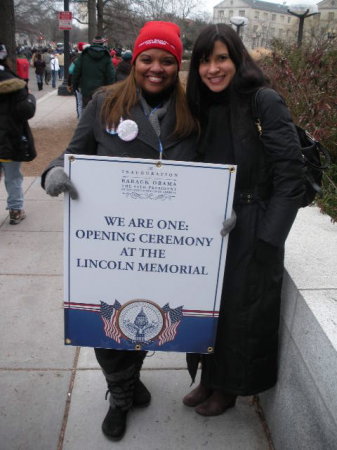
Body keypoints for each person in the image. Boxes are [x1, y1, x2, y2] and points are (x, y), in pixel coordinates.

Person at [41, 21, 198, 440]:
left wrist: (222, 210)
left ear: (177, 63)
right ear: (134, 60)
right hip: (111, 244)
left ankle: (130, 376)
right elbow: (71, 156)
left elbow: (209, 175)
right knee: (106, 320)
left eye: (167, 60)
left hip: (164, 245)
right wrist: (54, 175)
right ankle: (120, 394)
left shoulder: (192, 110)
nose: (156, 68)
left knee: (148, 316)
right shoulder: (105, 102)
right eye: (148, 58)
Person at [183, 23, 305, 416]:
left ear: (237, 59)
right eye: (204, 61)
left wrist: (269, 237)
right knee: (210, 306)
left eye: (221, 58)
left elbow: (291, 175)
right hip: (210, 224)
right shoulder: (201, 103)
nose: (212, 69)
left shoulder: (263, 100)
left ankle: (231, 387)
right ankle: (209, 377)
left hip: (252, 221)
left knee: (243, 312)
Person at [0, 43, 36, 224]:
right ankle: (15, 210)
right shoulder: (14, 83)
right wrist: (30, 97)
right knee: (13, 177)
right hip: (11, 138)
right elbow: (26, 111)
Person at [72, 36, 115, 108]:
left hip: (86, 89)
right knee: (100, 112)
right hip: (102, 91)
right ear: (102, 44)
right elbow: (111, 75)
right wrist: (110, 90)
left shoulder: (84, 55)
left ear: (93, 43)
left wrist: (75, 85)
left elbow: (76, 71)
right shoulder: (106, 56)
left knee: (87, 110)